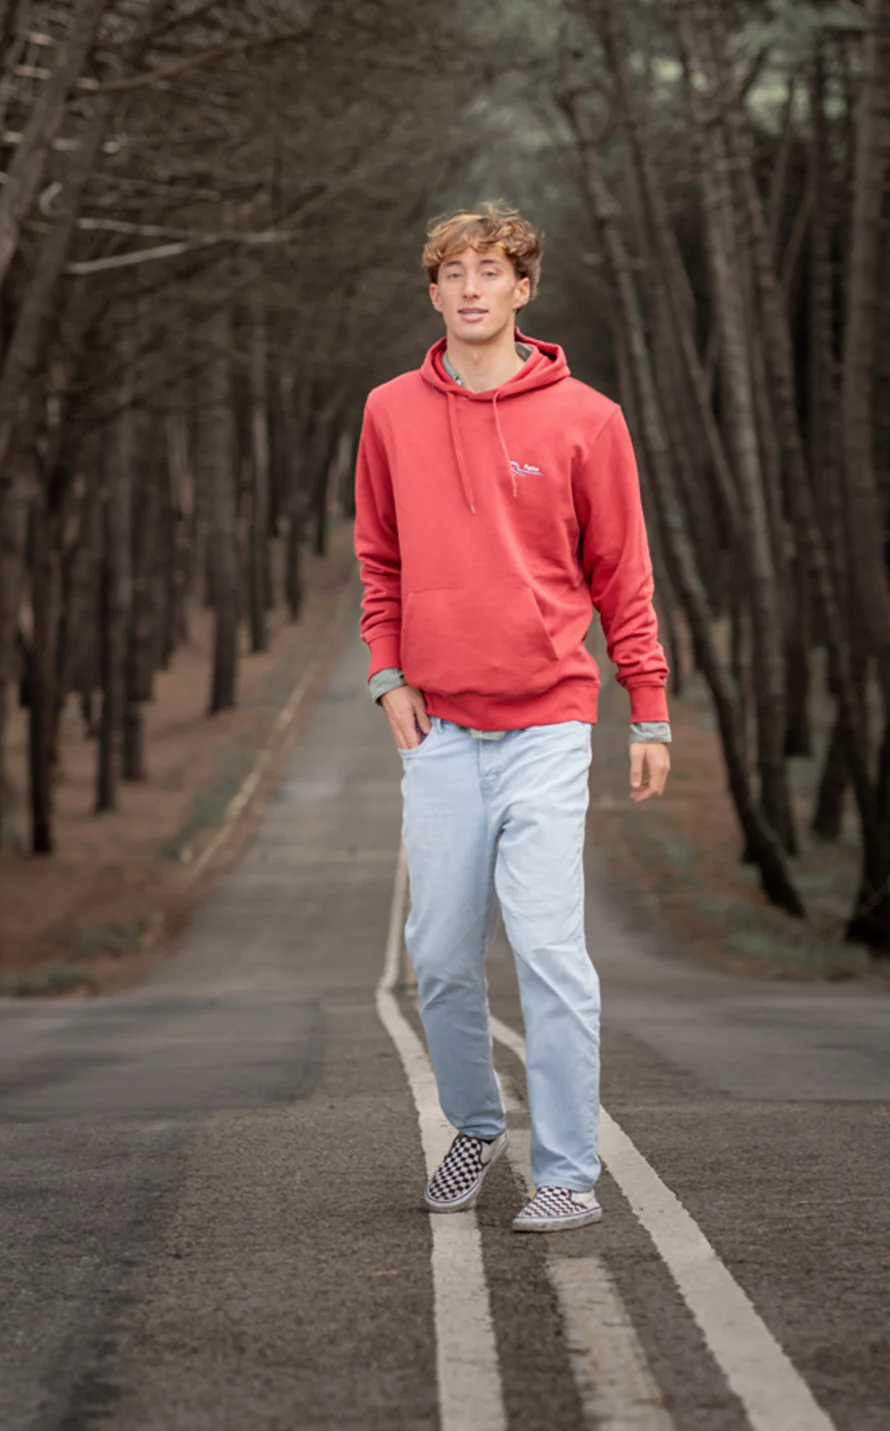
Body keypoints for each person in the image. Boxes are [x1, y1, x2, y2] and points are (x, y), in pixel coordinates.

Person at [354, 204, 670, 1233]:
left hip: (548, 724)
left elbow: (622, 574)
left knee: (547, 948)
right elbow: (378, 558)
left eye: (490, 271)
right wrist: (387, 674)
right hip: (439, 728)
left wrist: (649, 709)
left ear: (523, 288)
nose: (472, 288)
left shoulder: (588, 418)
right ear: (434, 292)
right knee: (441, 955)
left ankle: (567, 1171)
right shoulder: (389, 411)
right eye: (453, 273)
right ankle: (476, 1123)